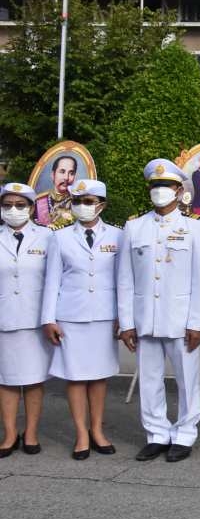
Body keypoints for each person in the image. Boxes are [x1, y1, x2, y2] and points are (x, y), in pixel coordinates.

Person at [117, 158, 200, 463]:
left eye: (166, 186)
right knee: (149, 379)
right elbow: (125, 279)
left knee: (187, 380)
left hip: (181, 319)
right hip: (146, 317)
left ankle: (185, 434)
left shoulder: (195, 226)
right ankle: (156, 433)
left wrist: (197, 322)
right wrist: (127, 322)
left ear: (178, 189)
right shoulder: (134, 226)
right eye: (155, 186)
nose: (160, 191)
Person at [40, 179, 121, 460]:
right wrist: (48, 318)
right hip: (71, 316)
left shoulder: (117, 236)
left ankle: (97, 430)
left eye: (88, 202)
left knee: (99, 377)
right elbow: (52, 281)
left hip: (104, 314)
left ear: (101, 205)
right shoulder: (59, 237)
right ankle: (81, 434)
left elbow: (123, 280)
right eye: (77, 202)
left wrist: (124, 315)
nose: (82, 207)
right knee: (75, 377)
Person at [0, 182, 53, 457]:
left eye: (20, 206)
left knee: (33, 380)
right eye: (7, 205)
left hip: (35, 320)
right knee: (7, 380)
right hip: (4, 319)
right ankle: (10, 434)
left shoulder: (47, 237)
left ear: (32, 209)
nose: (13, 210)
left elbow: (55, 280)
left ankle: (31, 432)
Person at [34, 154, 77, 227]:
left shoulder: (77, 203)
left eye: (71, 173)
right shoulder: (39, 202)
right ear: (53, 175)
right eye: (62, 172)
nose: (66, 177)